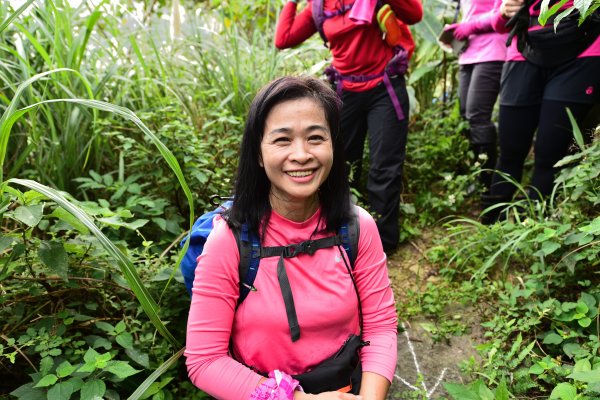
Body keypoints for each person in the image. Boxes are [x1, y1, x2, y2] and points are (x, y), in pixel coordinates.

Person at [185, 76, 398, 399]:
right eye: (282, 140)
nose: (301, 154)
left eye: (315, 137)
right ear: (258, 153)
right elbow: (205, 360)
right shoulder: (229, 240)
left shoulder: (356, 227)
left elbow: (380, 326)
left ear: (333, 145)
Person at [274, 0, 423, 254]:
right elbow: (284, 38)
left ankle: (383, 244)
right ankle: (342, 234)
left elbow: (415, 13)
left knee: (384, 167)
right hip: (345, 92)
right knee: (340, 165)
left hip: (385, 87)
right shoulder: (320, 6)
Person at [484, 0, 600, 220]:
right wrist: (502, 12)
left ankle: (536, 228)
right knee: (510, 150)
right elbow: (500, 22)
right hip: (525, 47)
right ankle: (489, 226)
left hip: (584, 52)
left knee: (550, 154)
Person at [442, 0, 507, 194]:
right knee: (466, 116)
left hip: (492, 50)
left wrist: (469, 26)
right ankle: (477, 175)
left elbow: (504, 12)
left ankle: (488, 183)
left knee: (478, 116)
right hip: (468, 52)